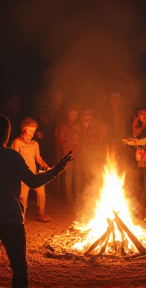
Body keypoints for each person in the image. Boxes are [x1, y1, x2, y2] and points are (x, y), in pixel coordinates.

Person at [0, 114, 73, 288]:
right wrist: (56, 170)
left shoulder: (17, 153)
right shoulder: (12, 156)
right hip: (11, 220)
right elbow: (32, 181)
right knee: (19, 271)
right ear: (7, 134)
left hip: (11, 218)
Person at [11, 118, 52, 222]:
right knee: (23, 197)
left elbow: (38, 159)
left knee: (41, 193)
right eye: (30, 131)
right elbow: (14, 158)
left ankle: (42, 214)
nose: (31, 134)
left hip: (34, 173)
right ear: (24, 129)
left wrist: (48, 168)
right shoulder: (18, 142)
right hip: (23, 174)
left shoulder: (34, 144)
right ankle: (21, 216)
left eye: (33, 131)